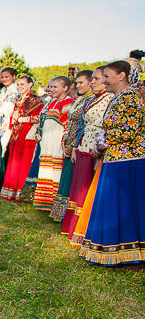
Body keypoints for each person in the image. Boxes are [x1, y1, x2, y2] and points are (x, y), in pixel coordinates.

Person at [78, 60, 144, 265]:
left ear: (122, 75)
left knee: (123, 205)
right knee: (114, 203)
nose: (104, 80)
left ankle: (128, 251)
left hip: (128, 159)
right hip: (116, 157)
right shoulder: (120, 97)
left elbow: (129, 130)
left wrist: (101, 141)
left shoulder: (131, 97)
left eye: (107, 76)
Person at [63, 68, 111, 238]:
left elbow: (107, 127)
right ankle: (75, 228)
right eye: (93, 79)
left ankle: (86, 230)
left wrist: (101, 152)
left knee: (89, 189)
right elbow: (82, 125)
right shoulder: (92, 99)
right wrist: (75, 146)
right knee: (79, 189)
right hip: (84, 146)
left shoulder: (110, 99)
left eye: (97, 78)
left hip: (96, 149)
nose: (93, 82)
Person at [49, 71, 94, 221]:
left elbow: (81, 124)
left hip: (79, 144)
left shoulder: (90, 100)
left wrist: (73, 144)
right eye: (77, 83)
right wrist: (65, 142)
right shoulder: (79, 100)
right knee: (67, 179)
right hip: (69, 141)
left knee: (74, 181)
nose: (78, 85)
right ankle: (62, 215)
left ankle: (72, 218)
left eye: (82, 82)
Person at [32, 76, 75, 210]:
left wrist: (65, 143)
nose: (52, 89)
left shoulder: (69, 103)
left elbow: (68, 124)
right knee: (46, 170)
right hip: (47, 142)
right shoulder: (51, 103)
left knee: (56, 171)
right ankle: (44, 202)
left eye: (56, 87)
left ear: (65, 88)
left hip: (57, 142)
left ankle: (55, 204)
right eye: (51, 87)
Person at [0, 76, 43, 202]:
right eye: (18, 85)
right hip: (17, 132)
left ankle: (21, 193)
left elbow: (38, 118)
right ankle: (11, 190)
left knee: (24, 162)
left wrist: (22, 119)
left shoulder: (36, 100)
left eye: (22, 84)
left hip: (27, 132)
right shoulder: (19, 99)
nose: (19, 87)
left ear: (30, 84)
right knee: (14, 161)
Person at [0, 68, 19, 193]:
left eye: (7, 76)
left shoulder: (15, 90)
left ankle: (3, 184)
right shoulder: (2, 91)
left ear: (13, 76)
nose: (4, 79)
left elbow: (6, 110)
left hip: (7, 125)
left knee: (4, 152)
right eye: (2, 77)